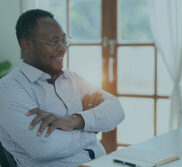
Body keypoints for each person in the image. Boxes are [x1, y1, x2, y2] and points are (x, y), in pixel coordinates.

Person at [0, 9, 125, 167]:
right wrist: (91, 129)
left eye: (63, 40)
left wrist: (75, 121)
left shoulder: (72, 78)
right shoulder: (9, 89)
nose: (63, 48)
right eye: (54, 42)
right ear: (28, 45)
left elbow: (117, 109)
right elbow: (44, 147)